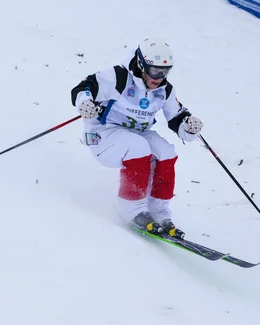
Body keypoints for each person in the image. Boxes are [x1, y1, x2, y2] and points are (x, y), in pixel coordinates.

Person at [70, 38, 203, 238]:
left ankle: (159, 210)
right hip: (103, 135)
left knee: (166, 152)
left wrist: (189, 127)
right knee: (139, 147)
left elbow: (177, 117)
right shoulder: (119, 77)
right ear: (141, 64)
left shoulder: (164, 90)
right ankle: (132, 209)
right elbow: (83, 88)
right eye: (155, 71)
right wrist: (85, 103)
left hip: (136, 133)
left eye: (165, 71)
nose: (159, 77)